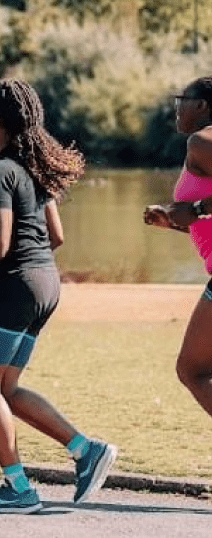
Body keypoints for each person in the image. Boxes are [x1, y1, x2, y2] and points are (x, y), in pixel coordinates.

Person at [0, 78, 117, 514]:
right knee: (5, 388)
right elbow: (55, 236)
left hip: (14, 289)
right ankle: (86, 450)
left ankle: (18, 488)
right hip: (45, 284)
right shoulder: (33, 167)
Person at [144, 77, 212, 432]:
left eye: (180, 100)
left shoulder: (201, 141)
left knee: (192, 370)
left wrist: (197, 209)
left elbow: (202, 210)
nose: (176, 108)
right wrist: (174, 221)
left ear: (201, 105)